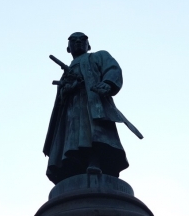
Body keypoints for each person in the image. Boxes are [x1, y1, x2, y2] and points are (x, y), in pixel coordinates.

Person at [44, 32, 143, 184]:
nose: (78, 42)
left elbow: (113, 69)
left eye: (82, 39)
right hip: (71, 110)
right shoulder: (66, 72)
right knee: (71, 140)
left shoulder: (98, 56)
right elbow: (62, 95)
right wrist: (67, 88)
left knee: (94, 133)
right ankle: (74, 168)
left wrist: (108, 83)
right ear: (68, 48)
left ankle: (95, 162)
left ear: (88, 45)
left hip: (92, 102)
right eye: (73, 40)